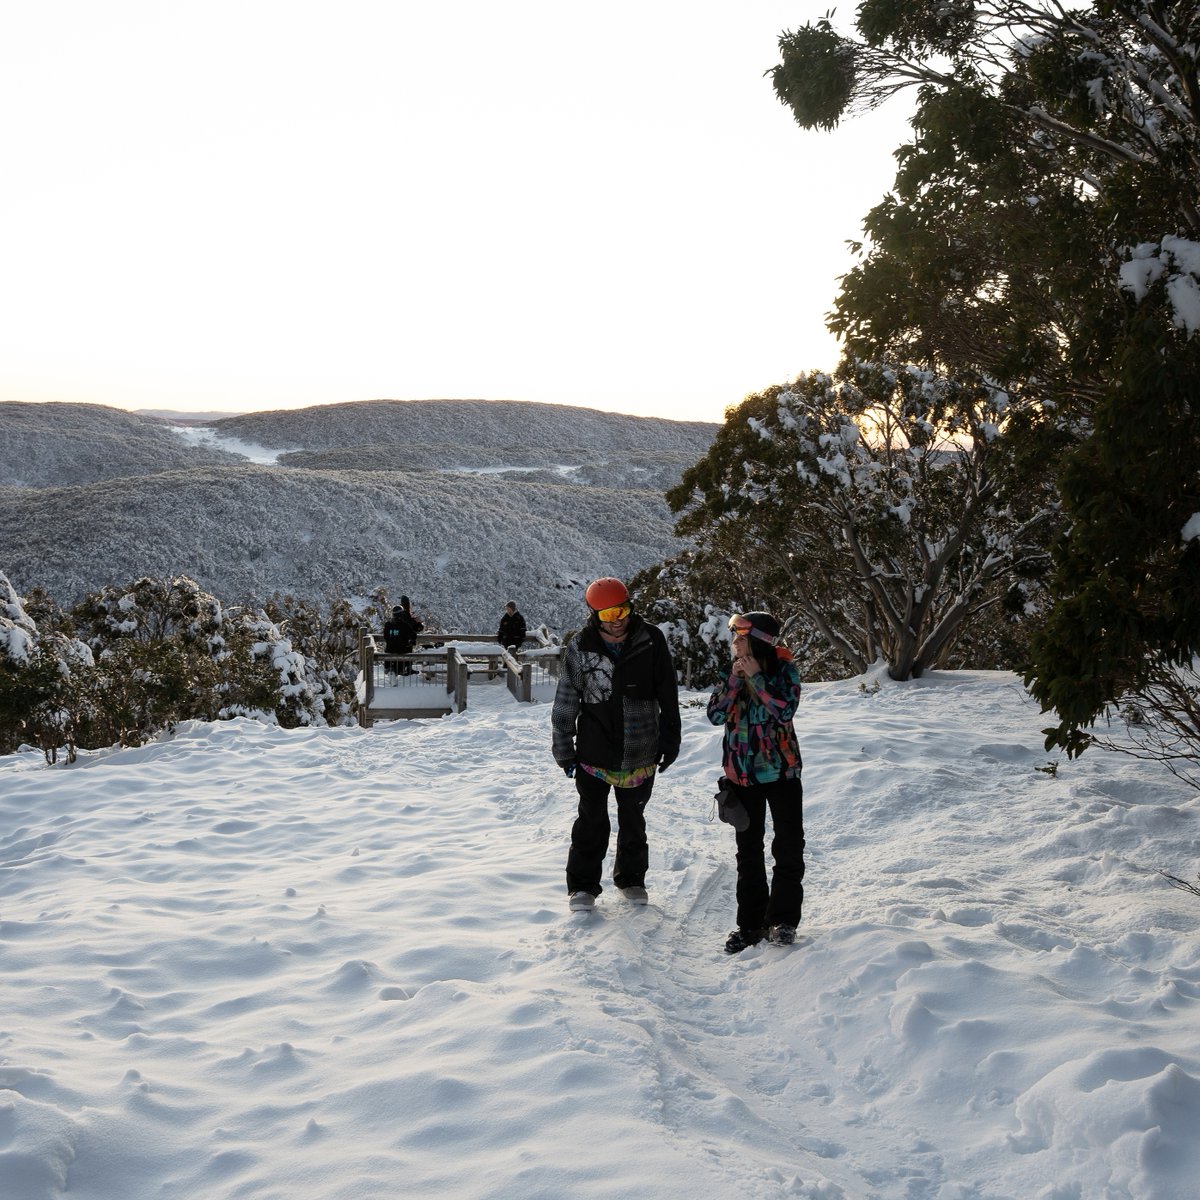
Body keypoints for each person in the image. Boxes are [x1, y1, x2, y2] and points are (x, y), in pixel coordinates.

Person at [552, 577, 681, 912]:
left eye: (621, 610)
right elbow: (566, 700)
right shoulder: (581, 647)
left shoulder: (650, 640)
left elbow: (667, 693)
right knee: (591, 820)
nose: (618, 619)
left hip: (641, 746)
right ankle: (582, 887)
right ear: (595, 615)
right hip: (594, 750)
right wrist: (563, 747)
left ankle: (632, 879)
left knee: (633, 818)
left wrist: (671, 739)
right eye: (608, 615)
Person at [707, 611, 805, 953]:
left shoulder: (784, 670)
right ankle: (750, 925)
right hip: (742, 776)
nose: (734, 642)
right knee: (749, 854)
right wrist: (735, 681)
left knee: (788, 847)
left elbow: (784, 710)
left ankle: (783, 921)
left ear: (759, 641)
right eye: (734, 636)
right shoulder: (728, 673)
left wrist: (757, 678)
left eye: (741, 637)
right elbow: (714, 714)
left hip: (782, 773)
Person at [383, 595, 423, 677]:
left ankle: (393, 670)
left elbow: (385, 636)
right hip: (402, 649)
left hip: (389, 649)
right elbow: (413, 633)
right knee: (408, 648)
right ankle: (407, 668)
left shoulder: (388, 624)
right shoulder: (404, 624)